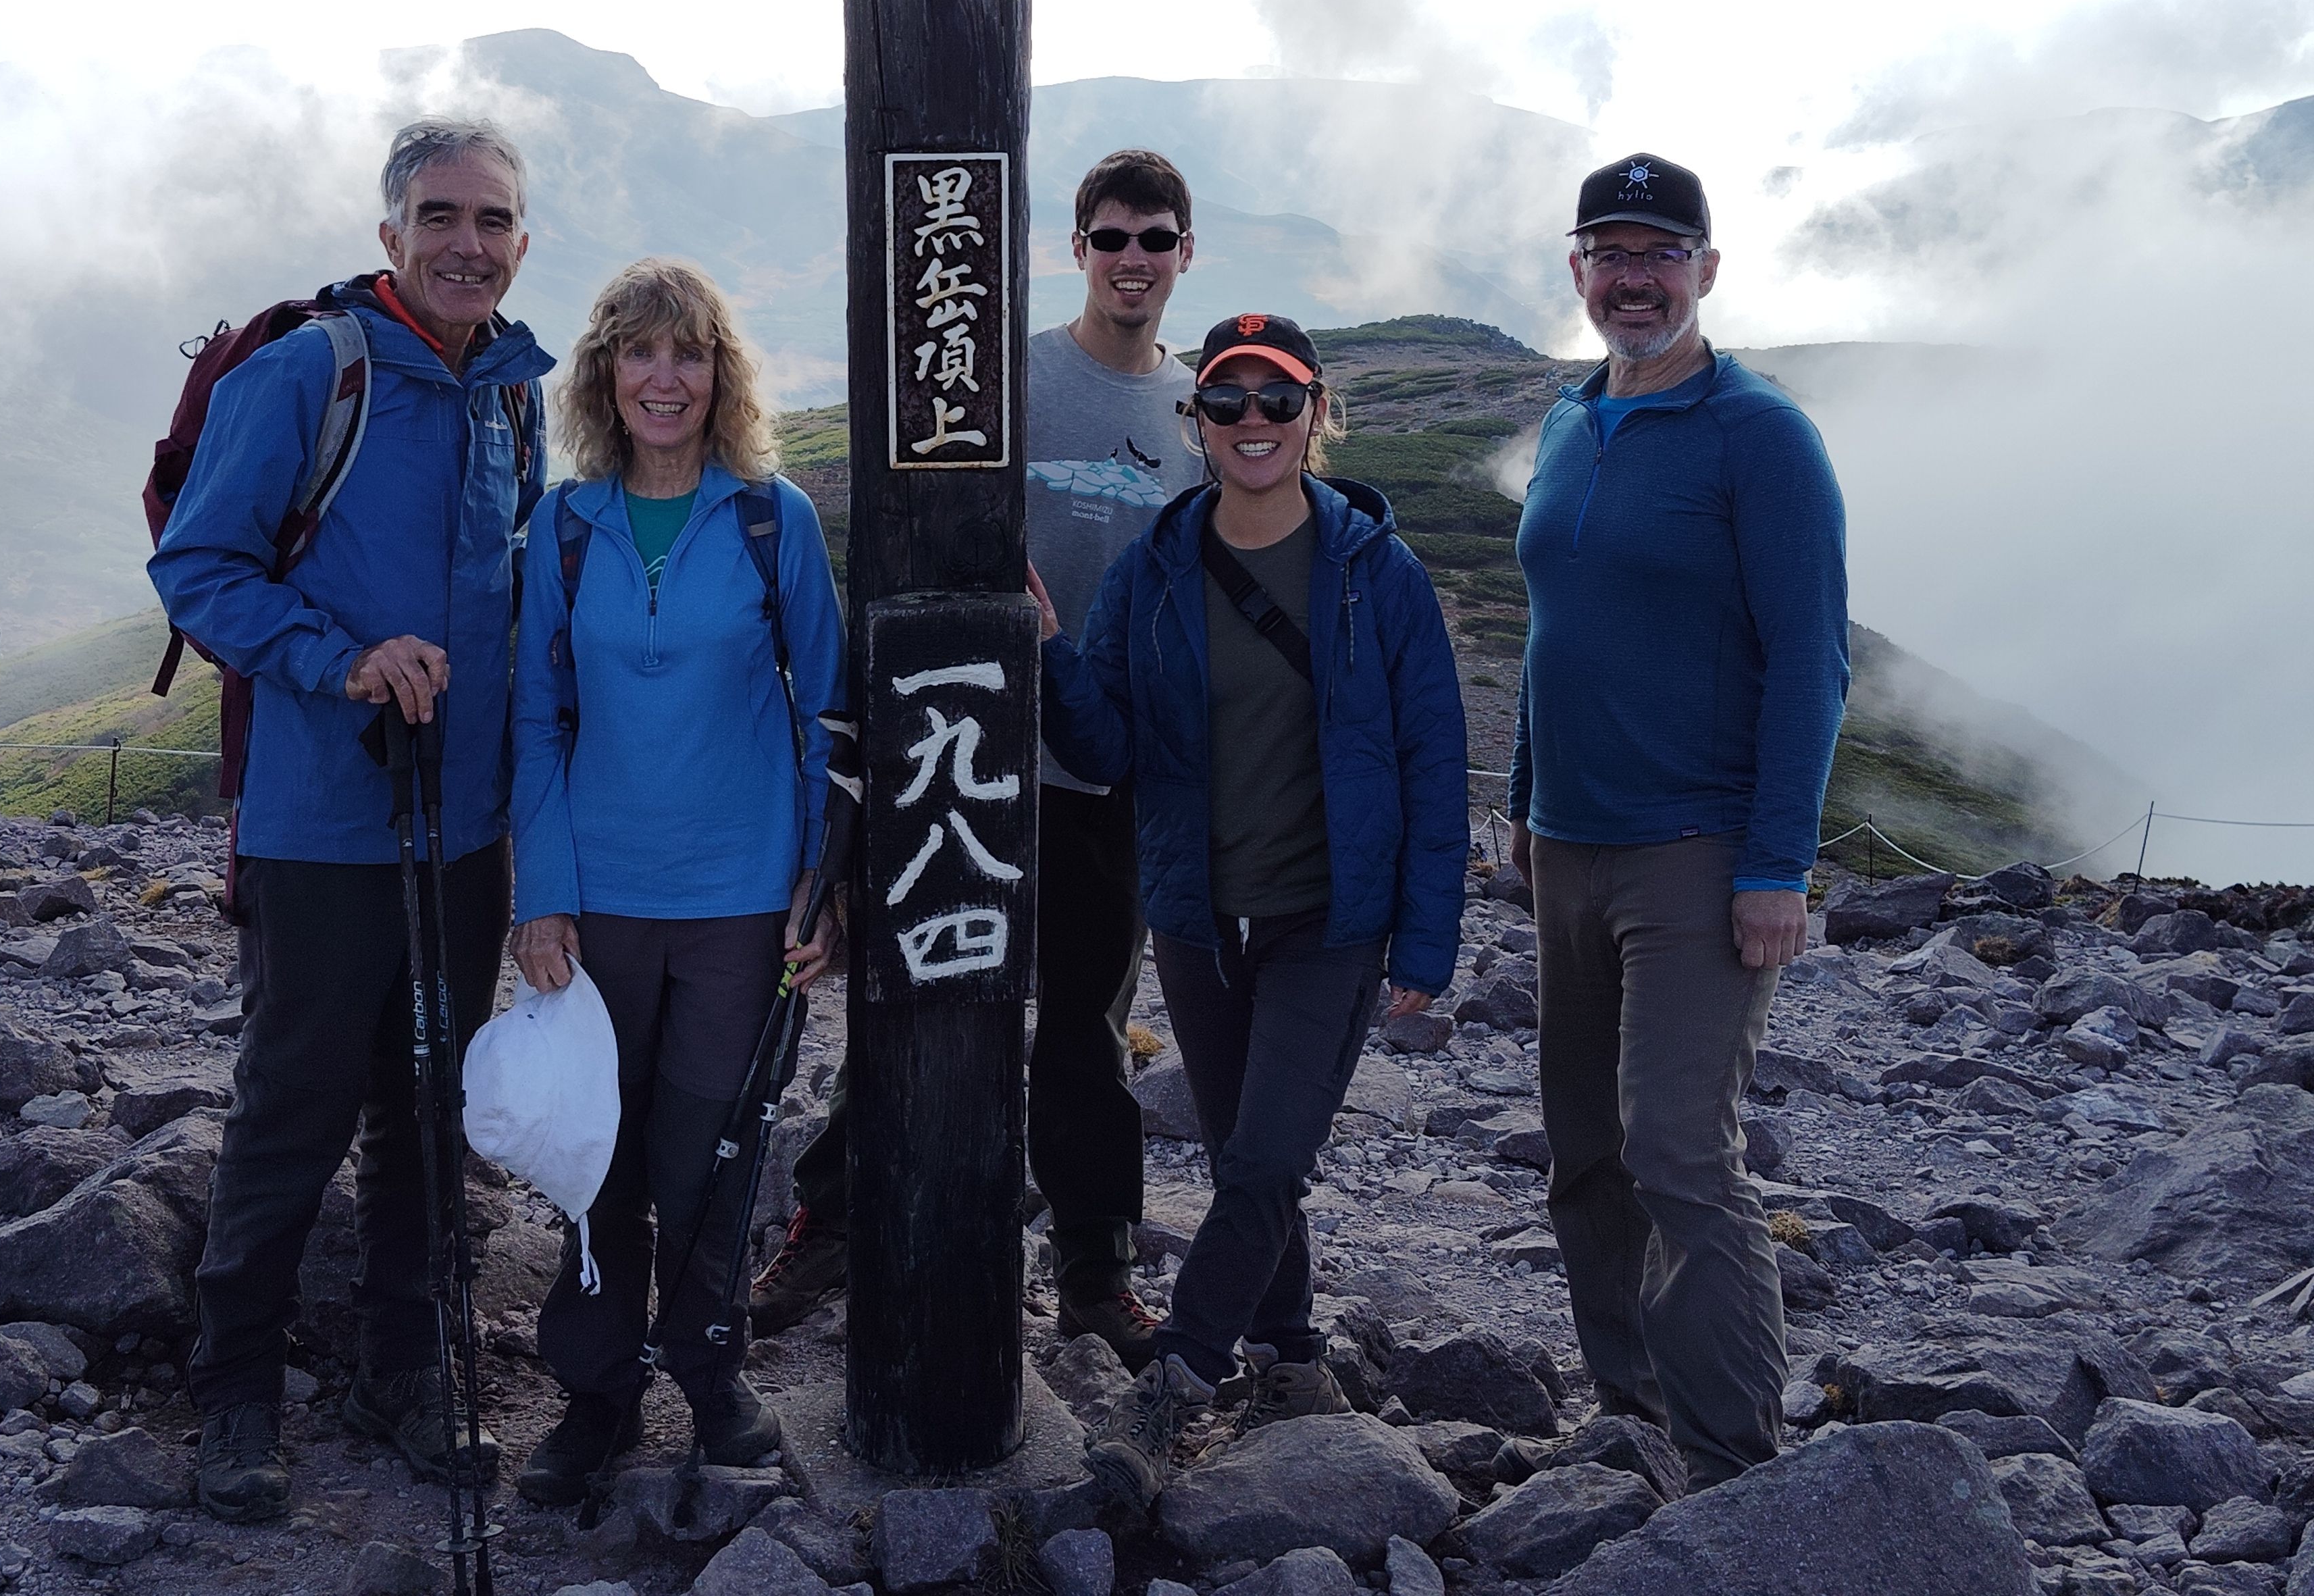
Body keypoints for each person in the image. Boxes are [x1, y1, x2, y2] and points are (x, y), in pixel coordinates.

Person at [151, 118, 553, 1522]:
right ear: (390, 234)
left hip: (465, 828)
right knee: (294, 1108)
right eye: (440, 216)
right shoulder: (308, 374)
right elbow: (196, 566)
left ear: (520, 241)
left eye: (493, 221)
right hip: (324, 818)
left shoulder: (514, 389)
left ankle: (406, 1370)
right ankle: (238, 1394)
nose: (467, 243)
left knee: (428, 1107)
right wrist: (343, 659)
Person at [752, 149, 1204, 1365]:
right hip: (961, 753)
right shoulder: (1011, 377)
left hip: (1102, 776)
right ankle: (835, 1222)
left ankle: (1097, 1270)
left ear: (1185, 255)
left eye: (1155, 239)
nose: (1133, 260)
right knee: (918, 998)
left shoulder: (1199, 411)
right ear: (1075, 249)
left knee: (1087, 1034)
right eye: (1111, 238)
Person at [1035, 312, 1470, 1512]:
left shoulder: (1376, 572)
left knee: (1272, 1154)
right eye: (1227, 403)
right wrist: (1052, 657)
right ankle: (1293, 1359)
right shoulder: (1157, 567)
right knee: (1244, 1163)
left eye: (1278, 402)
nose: (1252, 424)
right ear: (1199, 425)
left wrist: (1426, 938)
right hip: (1194, 914)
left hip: (1328, 919)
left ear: (1316, 415)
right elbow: (1111, 743)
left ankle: (1174, 1386)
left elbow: (1435, 757)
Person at [1508, 151, 1849, 1489]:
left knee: (1674, 1147)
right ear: (1578, 268)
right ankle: (1629, 1408)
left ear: (1706, 272)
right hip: (1572, 848)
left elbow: (1811, 658)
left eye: (1661, 254)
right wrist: (1531, 804)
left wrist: (1777, 866)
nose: (1633, 278)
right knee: (1584, 1148)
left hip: (1697, 854)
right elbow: (1553, 632)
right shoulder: (1568, 419)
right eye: (1610, 251)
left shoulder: (1759, 435)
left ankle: (1730, 1463)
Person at [505, 258, 846, 1506]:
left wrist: (822, 884)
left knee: (712, 1152)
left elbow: (829, 715)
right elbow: (537, 717)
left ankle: (712, 1373)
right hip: (596, 902)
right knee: (601, 1157)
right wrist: (538, 892)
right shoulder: (566, 525)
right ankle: (594, 1395)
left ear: (721, 376)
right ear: (605, 374)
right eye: (640, 354)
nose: (666, 378)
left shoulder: (773, 520)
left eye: (689, 355)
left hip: (741, 901)